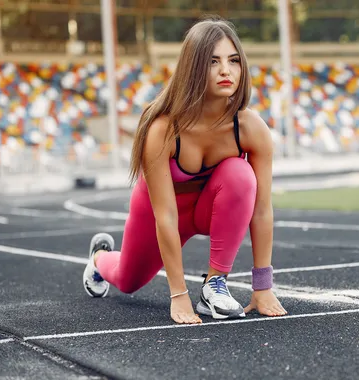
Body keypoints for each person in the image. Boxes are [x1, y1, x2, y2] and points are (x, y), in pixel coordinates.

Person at [81, 16, 287, 324]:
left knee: (240, 174)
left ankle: (214, 287)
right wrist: (178, 296)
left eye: (233, 61)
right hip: (159, 213)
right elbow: (165, 216)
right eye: (213, 62)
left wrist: (262, 287)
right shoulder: (162, 128)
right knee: (128, 281)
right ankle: (99, 258)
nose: (225, 70)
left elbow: (261, 210)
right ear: (193, 68)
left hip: (207, 209)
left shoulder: (250, 128)